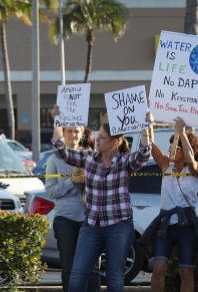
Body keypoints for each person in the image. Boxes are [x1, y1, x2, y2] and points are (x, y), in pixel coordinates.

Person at [51, 105, 151, 292]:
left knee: (114, 278)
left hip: (118, 225)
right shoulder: (89, 159)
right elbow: (61, 151)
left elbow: (145, 153)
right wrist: (58, 121)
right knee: (77, 277)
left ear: (115, 142)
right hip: (91, 225)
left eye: (102, 138)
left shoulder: (124, 161)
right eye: (97, 136)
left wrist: (146, 126)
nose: (97, 140)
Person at [140, 117, 198, 292]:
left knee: (186, 272)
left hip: (187, 225)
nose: (171, 148)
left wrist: (181, 132)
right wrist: (148, 126)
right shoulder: (166, 165)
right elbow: (150, 146)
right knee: (159, 266)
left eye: (176, 146)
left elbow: (191, 159)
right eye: (171, 144)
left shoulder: (195, 169)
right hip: (165, 224)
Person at [45, 126, 100, 292]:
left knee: (92, 269)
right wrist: (72, 181)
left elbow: (102, 187)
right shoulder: (53, 160)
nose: (73, 135)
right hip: (65, 220)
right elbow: (51, 191)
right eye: (69, 131)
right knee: (69, 268)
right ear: (63, 134)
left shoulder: (91, 157)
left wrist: (88, 179)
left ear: (82, 133)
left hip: (89, 219)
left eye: (76, 131)